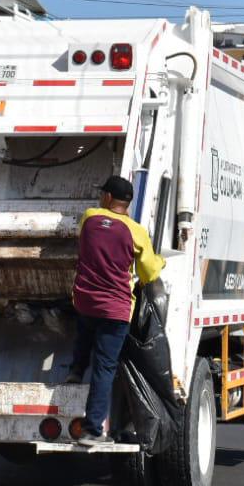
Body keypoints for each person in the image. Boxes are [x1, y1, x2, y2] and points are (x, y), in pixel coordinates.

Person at [69, 175, 165, 448]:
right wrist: (159, 263)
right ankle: (91, 430)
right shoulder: (136, 231)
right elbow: (148, 273)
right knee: (105, 368)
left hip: (85, 300)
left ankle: (75, 369)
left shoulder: (89, 218)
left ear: (108, 198)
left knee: (85, 330)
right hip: (115, 308)